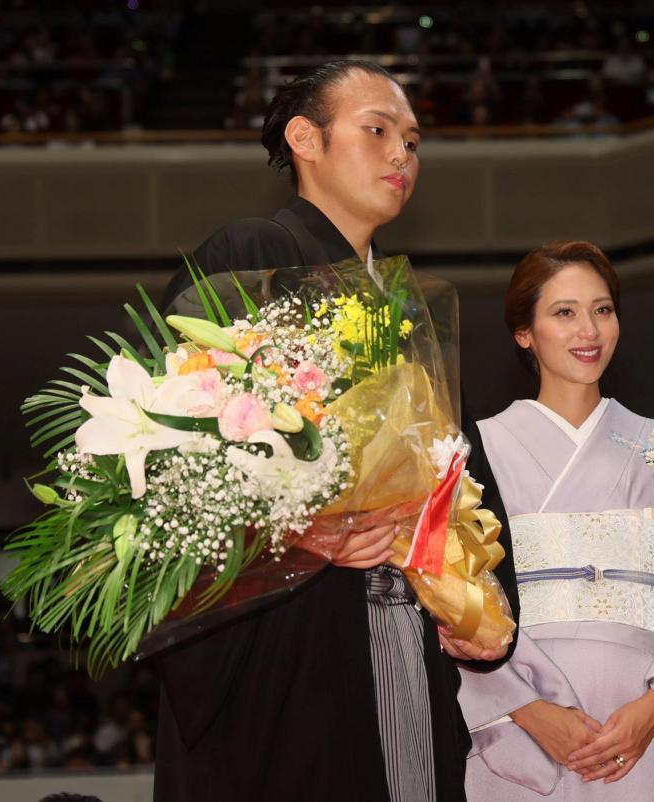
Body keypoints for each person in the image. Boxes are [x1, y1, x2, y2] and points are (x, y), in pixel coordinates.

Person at [154, 60, 517, 802]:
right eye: (377, 130)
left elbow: (450, 480)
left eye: (412, 142)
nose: (400, 156)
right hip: (293, 644)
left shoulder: (408, 306)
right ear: (305, 139)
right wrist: (297, 538)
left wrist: (474, 598)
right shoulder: (248, 255)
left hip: (403, 630)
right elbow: (175, 466)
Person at [457, 241, 654, 800]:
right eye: (565, 312)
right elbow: (452, 603)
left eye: (602, 310)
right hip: (516, 720)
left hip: (635, 726)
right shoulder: (473, 449)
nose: (589, 329)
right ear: (524, 332)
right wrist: (530, 711)